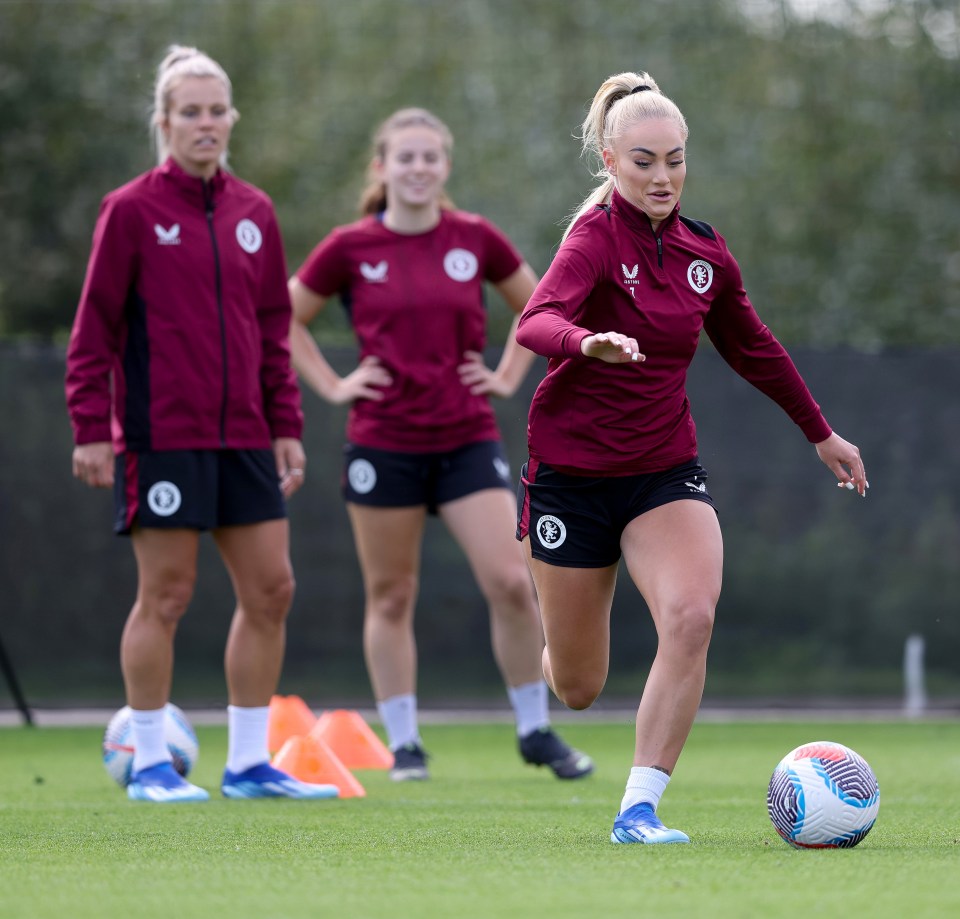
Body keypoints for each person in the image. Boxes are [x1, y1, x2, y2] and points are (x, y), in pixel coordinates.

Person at [514, 72, 867, 843]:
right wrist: (587, 342)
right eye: (643, 161)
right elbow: (534, 322)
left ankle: (638, 807)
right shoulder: (593, 239)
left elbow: (754, 347)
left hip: (661, 471)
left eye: (675, 159)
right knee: (577, 686)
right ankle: (551, 642)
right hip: (571, 479)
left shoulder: (705, 251)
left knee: (691, 616)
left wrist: (821, 431)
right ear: (609, 159)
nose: (663, 176)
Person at [66, 45, 338, 803]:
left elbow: (273, 324)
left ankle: (248, 764)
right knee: (168, 594)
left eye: (218, 110)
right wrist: (92, 424)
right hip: (162, 436)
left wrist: (286, 422)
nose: (206, 123)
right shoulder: (130, 210)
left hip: (247, 437)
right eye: (191, 111)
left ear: (231, 120)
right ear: (164, 121)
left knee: (272, 588)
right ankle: (151, 762)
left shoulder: (256, 211)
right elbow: (94, 329)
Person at [288, 107, 593, 782]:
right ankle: (405, 744)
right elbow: (283, 318)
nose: (418, 168)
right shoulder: (348, 247)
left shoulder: (474, 237)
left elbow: (542, 305)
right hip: (382, 444)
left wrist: (508, 374)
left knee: (514, 581)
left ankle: (535, 729)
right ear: (381, 167)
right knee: (391, 595)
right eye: (406, 157)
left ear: (445, 167)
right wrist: (336, 386)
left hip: (465, 438)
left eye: (430, 157)